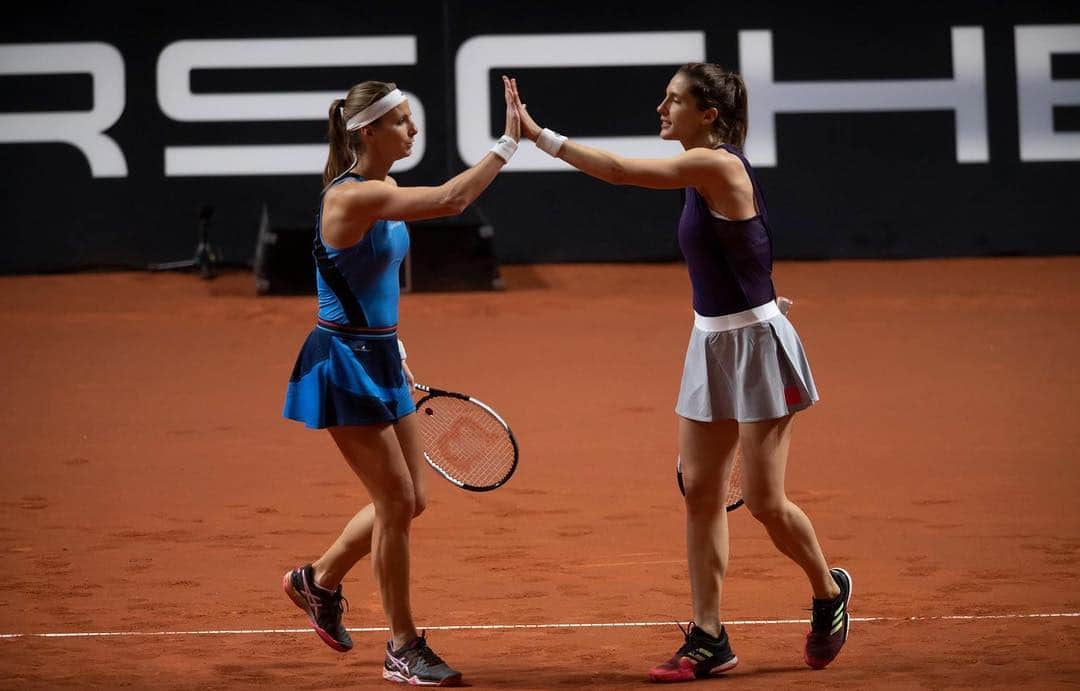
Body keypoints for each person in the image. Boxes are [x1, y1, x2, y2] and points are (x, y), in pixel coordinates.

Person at [507, 66, 851, 681]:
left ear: (709, 114)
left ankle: (828, 592)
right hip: (710, 345)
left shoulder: (716, 166)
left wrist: (539, 136)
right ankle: (709, 636)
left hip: (756, 348)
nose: (660, 106)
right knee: (701, 497)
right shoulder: (701, 167)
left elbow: (618, 171)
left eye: (674, 99)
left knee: (767, 502)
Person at [281, 76, 520, 687]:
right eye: (402, 121)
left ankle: (318, 580)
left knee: (412, 498)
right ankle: (403, 645)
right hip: (342, 363)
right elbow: (451, 200)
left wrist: (394, 339)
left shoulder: (381, 187)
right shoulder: (350, 198)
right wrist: (509, 143)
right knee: (394, 503)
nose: (413, 130)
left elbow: (370, 281)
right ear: (368, 131)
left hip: (383, 355)